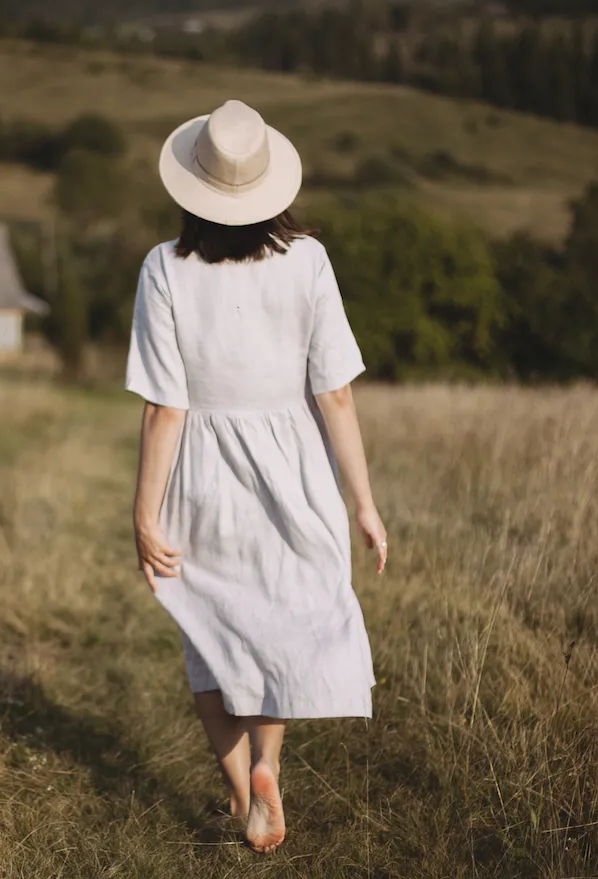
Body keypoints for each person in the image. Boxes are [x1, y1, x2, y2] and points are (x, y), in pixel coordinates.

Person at [127, 99, 388, 855]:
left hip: (201, 475)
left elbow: (164, 409)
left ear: (193, 187)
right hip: (293, 467)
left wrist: (144, 514)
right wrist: (364, 504)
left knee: (210, 634)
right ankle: (271, 763)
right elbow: (334, 392)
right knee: (277, 622)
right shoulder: (307, 259)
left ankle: (242, 789)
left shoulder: (163, 268)